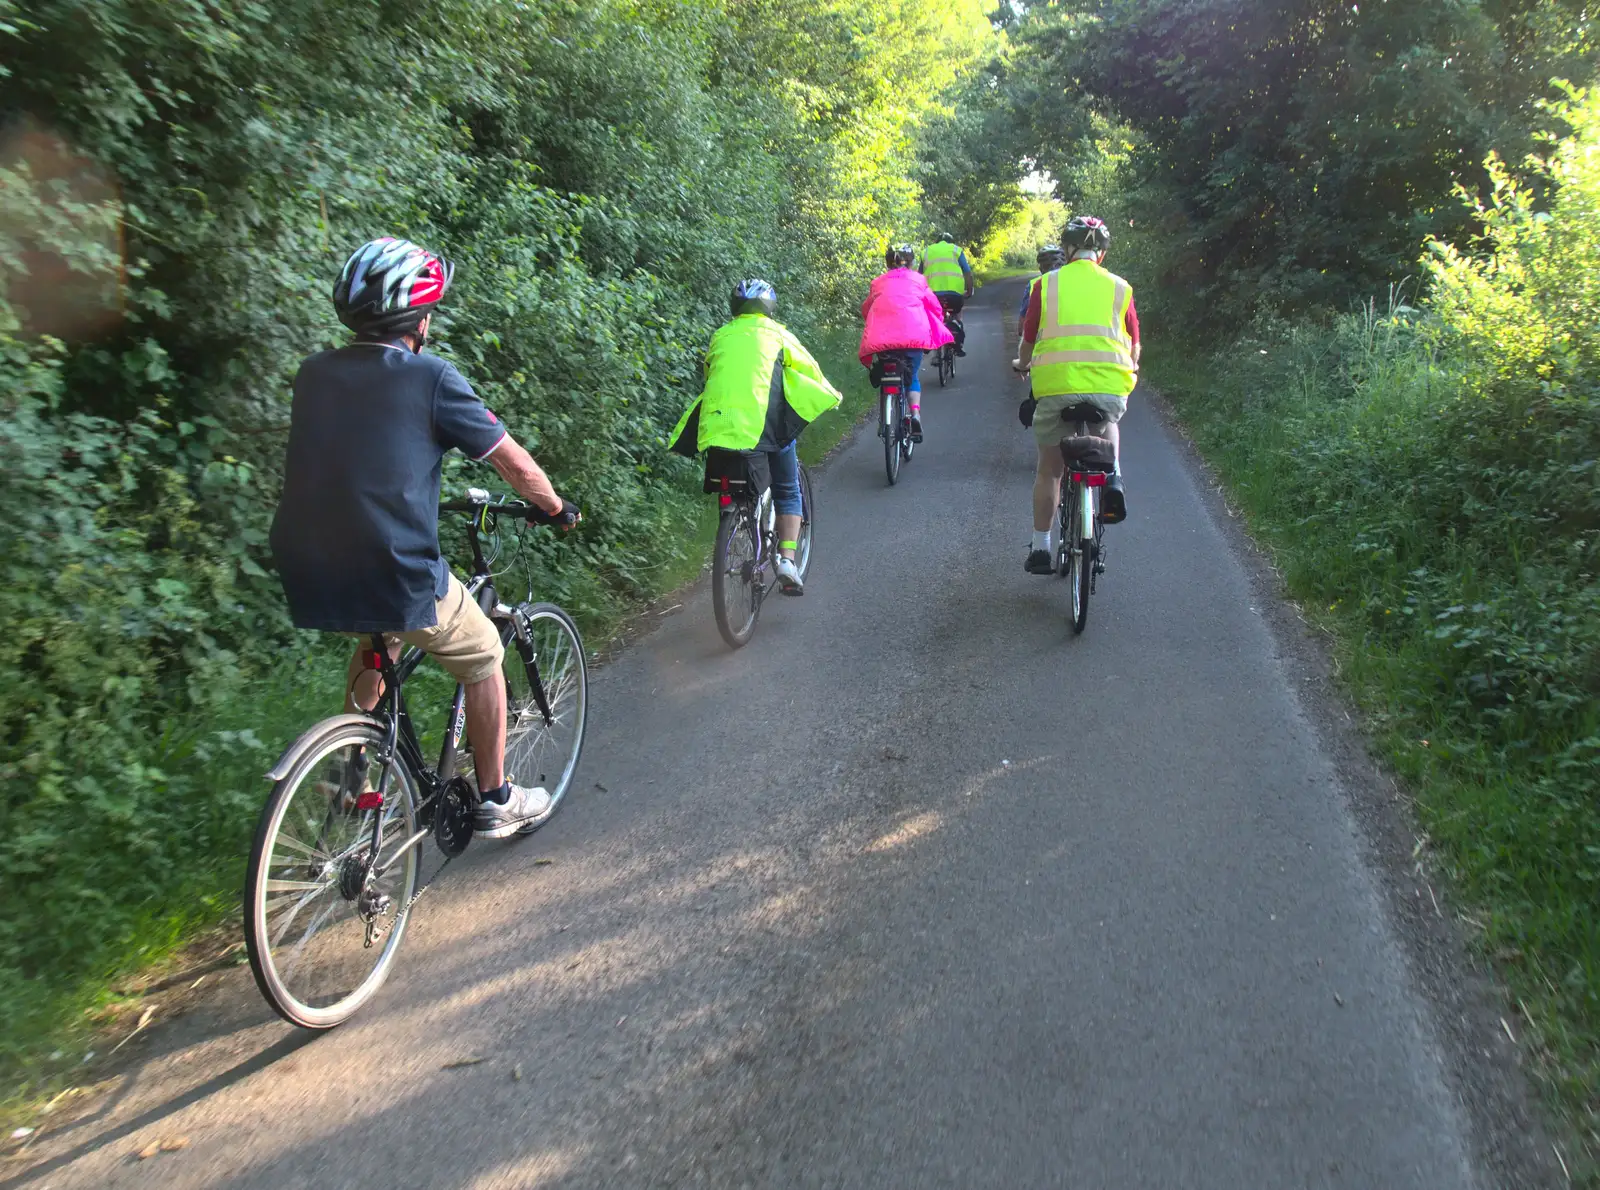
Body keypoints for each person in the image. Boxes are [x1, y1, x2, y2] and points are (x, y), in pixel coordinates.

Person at [270, 237, 579, 839]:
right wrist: (557, 507)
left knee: (377, 642)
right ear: (420, 318)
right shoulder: (430, 378)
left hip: (308, 564)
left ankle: (353, 771)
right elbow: (515, 466)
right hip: (394, 567)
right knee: (486, 652)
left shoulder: (313, 374)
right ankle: (496, 796)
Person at [669, 279, 842, 596]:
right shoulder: (778, 334)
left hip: (717, 428)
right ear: (769, 307)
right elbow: (811, 372)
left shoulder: (720, 336)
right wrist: (830, 395)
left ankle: (732, 521)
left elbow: (709, 376)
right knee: (787, 488)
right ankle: (788, 560)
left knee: (730, 479)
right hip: (764, 429)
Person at [1013, 216, 1139, 575]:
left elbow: (1029, 338)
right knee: (1109, 420)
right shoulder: (1120, 287)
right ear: (1101, 252)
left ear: (1067, 250)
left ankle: (1041, 547)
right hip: (1108, 386)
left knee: (1050, 470)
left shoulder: (1046, 285)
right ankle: (1112, 474)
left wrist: (1022, 364)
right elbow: (1134, 343)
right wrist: (1129, 369)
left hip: (1055, 386)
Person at [860, 243, 954, 443]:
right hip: (913, 338)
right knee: (911, 377)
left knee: (887, 373)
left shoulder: (878, 282)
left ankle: (884, 417)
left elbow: (866, 309)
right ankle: (915, 415)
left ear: (887, 263)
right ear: (911, 262)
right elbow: (935, 307)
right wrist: (937, 319)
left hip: (882, 340)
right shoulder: (918, 280)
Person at [918, 232, 975, 356]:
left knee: (930, 316)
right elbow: (967, 273)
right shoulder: (956, 250)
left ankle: (929, 340)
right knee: (957, 313)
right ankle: (957, 341)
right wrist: (969, 291)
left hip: (932, 296)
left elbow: (918, 276)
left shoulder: (926, 252)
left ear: (936, 242)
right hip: (954, 295)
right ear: (952, 242)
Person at [1017, 243, 1066, 328]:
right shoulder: (1073, 282)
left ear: (1041, 268)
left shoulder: (1033, 284)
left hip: (1039, 338)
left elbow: (1022, 324)